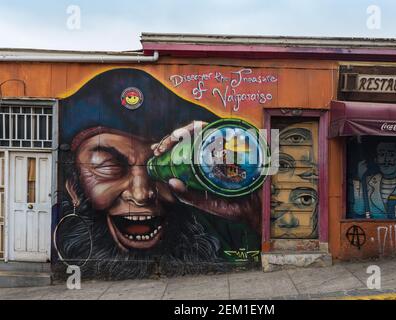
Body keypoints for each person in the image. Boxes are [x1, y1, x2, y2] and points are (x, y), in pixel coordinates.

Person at [55, 68, 261, 279]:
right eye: (108, 166)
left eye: (164, 166)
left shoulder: (229, 224)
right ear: (72, 186)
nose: (141, 194)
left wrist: (255, 212)